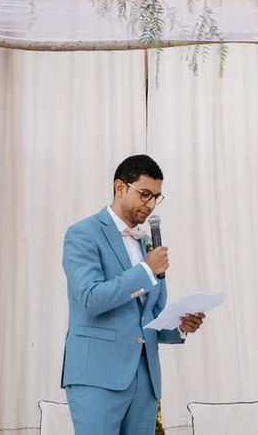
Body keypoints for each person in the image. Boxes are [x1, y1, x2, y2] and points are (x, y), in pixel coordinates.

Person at [61, 154, 205, 435]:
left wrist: (179, 325)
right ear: (119, 187)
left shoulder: (147, 241)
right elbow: (90, 299)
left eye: (156, 197)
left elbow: (149, 315)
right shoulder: (82, 234)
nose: (150, 204)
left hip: (145, 380)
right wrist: (145, 270)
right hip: (97, 378)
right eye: (145, 194)